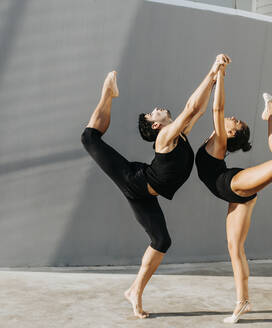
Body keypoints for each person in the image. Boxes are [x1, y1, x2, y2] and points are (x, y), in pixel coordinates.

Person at [81, 55, 227, 318]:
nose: (155, 109)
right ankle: (107, 93)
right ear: (157, 126)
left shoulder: (179, 134)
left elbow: (199, 109)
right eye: (152, 114)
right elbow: (191, 108)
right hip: (134, 181)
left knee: (161, 241)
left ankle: (134, 291)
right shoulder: (165, 137)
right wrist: (211, 72)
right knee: (89, 138)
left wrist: (214, 80)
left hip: (145, 194)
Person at [195, 57, 272, 323]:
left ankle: (271, 111)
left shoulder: (219, 142)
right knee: (234, 248)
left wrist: (222, 74)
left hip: (233, 184)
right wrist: (213, 74)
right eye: (237, 120)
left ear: (230, 134)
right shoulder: (214, 139)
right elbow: (207, 108)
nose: (235, 118)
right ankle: (243, 302)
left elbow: (218, 108)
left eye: (236, 124)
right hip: (233, 196)